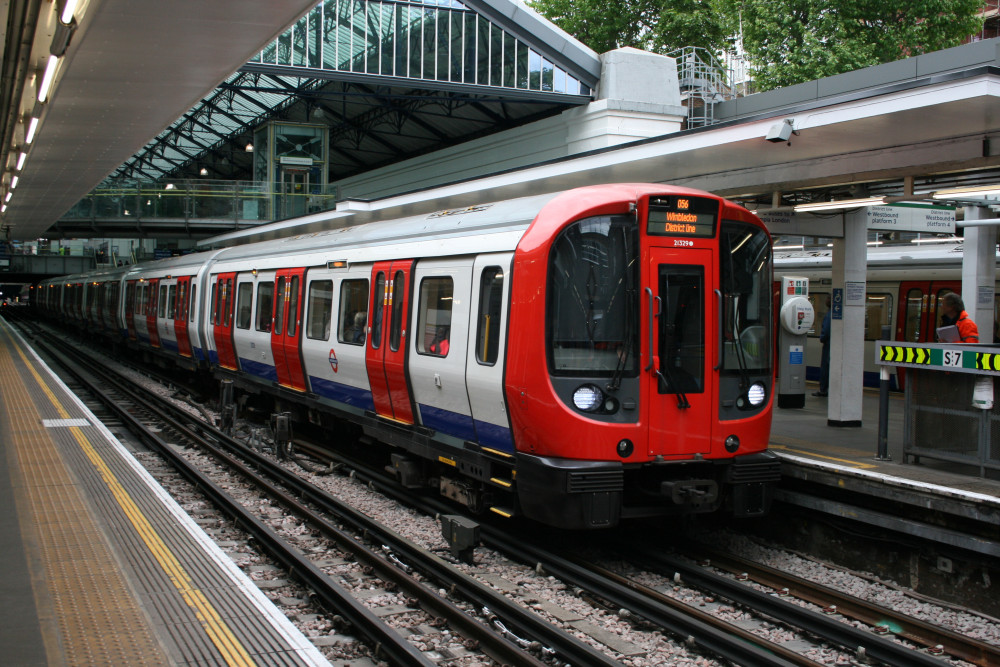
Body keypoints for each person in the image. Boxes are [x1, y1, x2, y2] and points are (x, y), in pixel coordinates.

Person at [814, 295, 831, 397]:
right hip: (832, 343)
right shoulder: (835, 313)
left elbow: (826, 331)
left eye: (828, 299)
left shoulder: (829, 315)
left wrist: (822, 338)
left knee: (826, 366)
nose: (826, 301)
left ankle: (823, 389)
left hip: (828, 344)